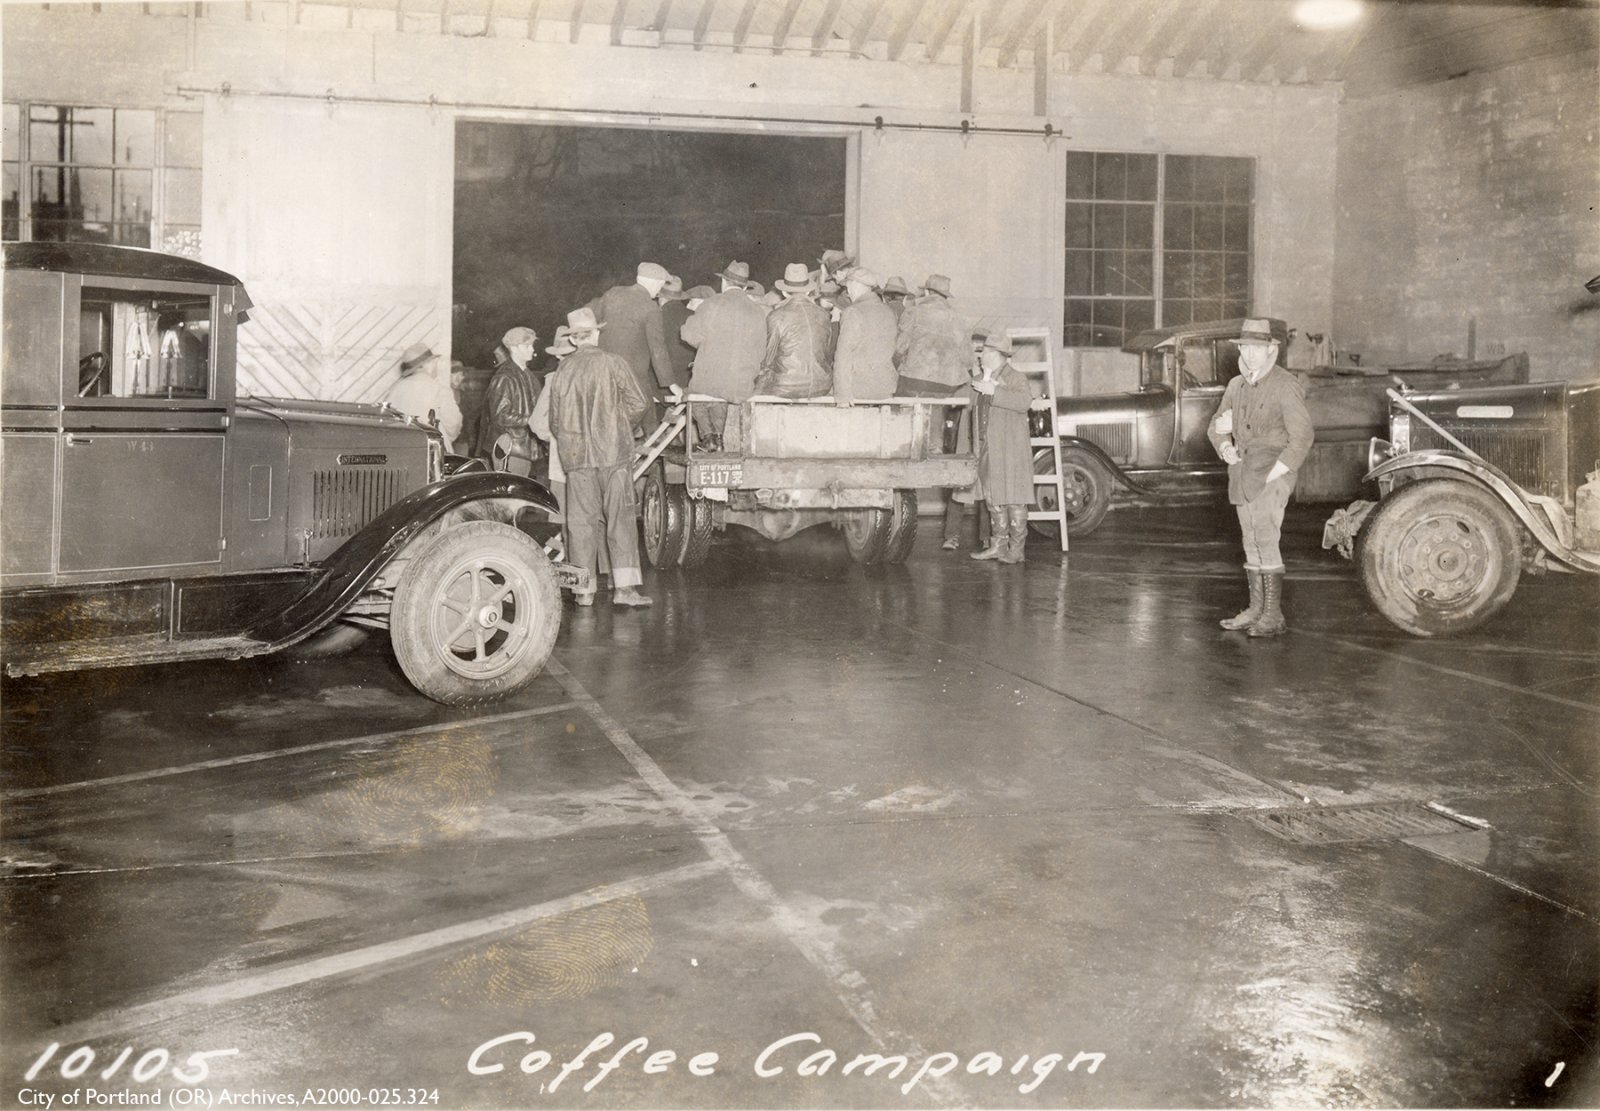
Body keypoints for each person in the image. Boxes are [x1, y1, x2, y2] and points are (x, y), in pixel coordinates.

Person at [1206, 318, 1315, 637]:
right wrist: (1225, 446)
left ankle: (1272, 615)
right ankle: (1255, 608)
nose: (1251, 355)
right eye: (1245, 348)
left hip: (1272, 470)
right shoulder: (1236, 385)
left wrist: (1279, 472)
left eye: (1257, 348)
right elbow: (1214, 425)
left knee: (1266, 537)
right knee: (1249, 537)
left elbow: (1303, 436)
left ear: (1270, 350)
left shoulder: (1284, 384)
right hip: (1241, 471)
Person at [546, 307, 652, 608]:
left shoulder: (563, 371)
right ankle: (625, 590)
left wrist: (572, 440)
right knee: (620, 520)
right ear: (595, 333)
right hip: (613, 455)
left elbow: (555, 421)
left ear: (574, 338)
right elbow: (638, 403)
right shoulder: (612, 363)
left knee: (580, 523)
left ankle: (583, 591)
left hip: (576, 459)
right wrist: (618, 427)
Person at [681, 260, 767, 451]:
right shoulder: (757, 311)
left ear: (724, 283)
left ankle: (709, 436)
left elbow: (689, 336)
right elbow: (761, 350)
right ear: (745, 286)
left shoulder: (711, 304)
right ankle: (717, 438)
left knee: (693, 392)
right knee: (721, 386)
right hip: (743, 385)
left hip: (711, 383)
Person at [966, 330, 1033, 564]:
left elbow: (1025, 402)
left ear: (995, 354)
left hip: (1011, 449)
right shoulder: (982, 377)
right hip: (988, 447)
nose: (979, 356)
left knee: (1014, 497)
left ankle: (1016, 550)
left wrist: (995, 391)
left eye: (982, 351)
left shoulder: (1015, 377)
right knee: (992, 497)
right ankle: (998, 546)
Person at [587, 261, 675, 427]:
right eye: (661, 285)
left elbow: (590, 316)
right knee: (645, 409)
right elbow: (658, 349)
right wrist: (671, 384)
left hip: (603, 367)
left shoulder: (613, 293)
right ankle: (650, 441)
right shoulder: (651, 307)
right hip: (633, 373)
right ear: (654, 282)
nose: (659, 290)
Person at [753, 263, 833, 399]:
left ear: (784, 292)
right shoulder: (824, 315)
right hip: (822, 385)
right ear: (808, 291)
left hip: (785, 386)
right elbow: (826, 353)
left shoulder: (776, 316)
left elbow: (768, 359)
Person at [477, 325, 542, 474]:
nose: (532, 349)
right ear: (514, 348)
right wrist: (532, 420)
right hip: (511, 450)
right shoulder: (505, 377)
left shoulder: (528, 375)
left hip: (523, 448)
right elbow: (500, 416)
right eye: (528, 346)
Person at [894, 274, 970, 397]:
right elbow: (968, 359)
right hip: (948, 387)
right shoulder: (958, 318)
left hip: (915, 382)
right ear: (946, 295)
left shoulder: (913, 312)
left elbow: (899, 348)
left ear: (927, 292)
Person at [832, 267, 898, 405]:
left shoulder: (853, 312)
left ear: (855, 285)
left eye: (848, 286)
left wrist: (842, 394)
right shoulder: (888, 311)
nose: (848, 293)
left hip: (859, 390)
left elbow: (843, 355)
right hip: (886, 388)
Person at [385, 342, 463, 452]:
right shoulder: (440, 389)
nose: (435, 364)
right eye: (434, 361)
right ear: (428, 363)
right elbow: (453, 424)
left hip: (401, 450)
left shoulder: (396, 389)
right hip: (432, 451)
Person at [656, 275, 697, 392]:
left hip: (661, 387)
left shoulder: (656, 317)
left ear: (661, 298)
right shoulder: (693, 315)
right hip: (689, 385)